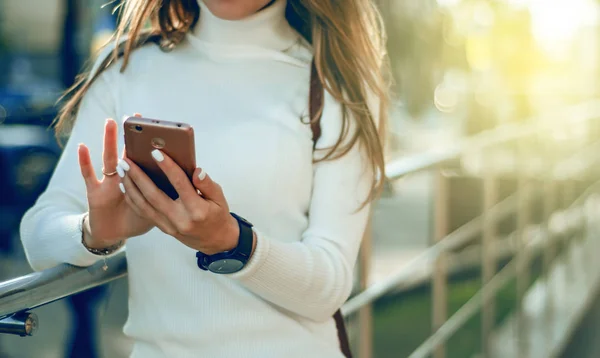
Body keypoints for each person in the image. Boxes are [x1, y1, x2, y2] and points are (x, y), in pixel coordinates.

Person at [20, 0, 388, 356]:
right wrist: (96, 232)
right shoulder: (126, 65)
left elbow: (329, 286)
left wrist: (230, 242)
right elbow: (38, 237)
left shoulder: (333, 81)